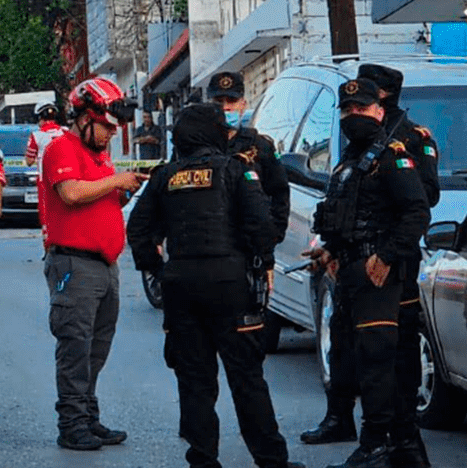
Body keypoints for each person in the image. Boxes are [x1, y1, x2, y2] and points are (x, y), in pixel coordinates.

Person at [128, 103, 303, 468]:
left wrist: (158, 271)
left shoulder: (164, 176)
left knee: (194, 381)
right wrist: (262, 261)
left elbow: (139, 230)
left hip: (180, 284)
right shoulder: (235, 170)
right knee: (247, 377)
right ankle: (271, 460)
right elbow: (261, 226)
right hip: (229, 282)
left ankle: (203, 459)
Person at [302, 65, 439, 468]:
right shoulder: (350, 159)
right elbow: (346, 211)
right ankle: (388, 439)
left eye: (362, 106)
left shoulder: (401, 148)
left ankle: (386, 442)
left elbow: (419, 206)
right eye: (347, 109)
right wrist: (330, 249)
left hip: (386, 266)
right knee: (353, 350)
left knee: (388, 357)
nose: (352, 116)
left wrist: (388, 254)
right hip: (352, 266)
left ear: (381, 104)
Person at [40, 76, 145, 451]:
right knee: (75, 347)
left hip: (104, 265)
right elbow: (70, 193)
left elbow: (99, 199)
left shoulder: (99, 155)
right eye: (106, 127)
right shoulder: (61, 149)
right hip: (74, 263)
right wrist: (115, 181)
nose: (111, 134)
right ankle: (71, 425)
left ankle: (88, 416)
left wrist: (123, 190)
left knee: (96, 349)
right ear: (85, 119)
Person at [208, 72, 291, 242]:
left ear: (243, 105)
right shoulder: (195, 144)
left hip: (248, 243)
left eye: (231, 101)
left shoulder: (259, 146)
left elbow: (279, 193)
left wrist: (272, 236)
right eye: (219, 102)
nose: (225, 108)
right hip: (208, 241)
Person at [26, 103, 66, 239]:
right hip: (66, 177)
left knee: (46, 212)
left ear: (39, 118)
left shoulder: (36, 135)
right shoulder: (65, 132)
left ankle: (48, 242)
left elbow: (29, 161)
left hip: (45, 180)